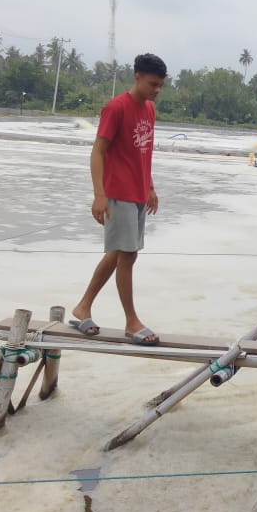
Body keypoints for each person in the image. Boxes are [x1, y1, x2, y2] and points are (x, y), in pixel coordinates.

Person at [71, 53, 167, 345]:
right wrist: (99, 195)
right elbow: (98, 151)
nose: (156, 90)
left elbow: (143, 151)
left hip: (138, 192)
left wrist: (150, 187)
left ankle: (82, 308)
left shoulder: (149, 109)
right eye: (153, 84)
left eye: (161, 85)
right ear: (137, 76)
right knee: (128, 255)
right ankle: (131, 322)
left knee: (118, 252)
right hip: (118, 192)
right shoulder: (116, 108)